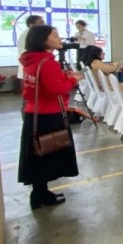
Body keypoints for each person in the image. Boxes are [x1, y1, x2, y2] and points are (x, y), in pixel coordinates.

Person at [19, 25, 84, 210]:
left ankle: (40, 193)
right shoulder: (47, 63)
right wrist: (73, 80)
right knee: (47, 155)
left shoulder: (32, 60)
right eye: (54, 36)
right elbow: (56, 89)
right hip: (48, 115)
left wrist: (63, 76)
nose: (59, 38)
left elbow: (44, 83)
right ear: (43, 40)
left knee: (38, 155)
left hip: (34, 113)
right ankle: (41, 194)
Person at [17, 14, 44, 81]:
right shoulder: (31, 35)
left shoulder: (28, 33)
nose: (44, 25)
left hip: (28, 68)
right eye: (41, 23)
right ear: (31, 25)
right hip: (30, 67)